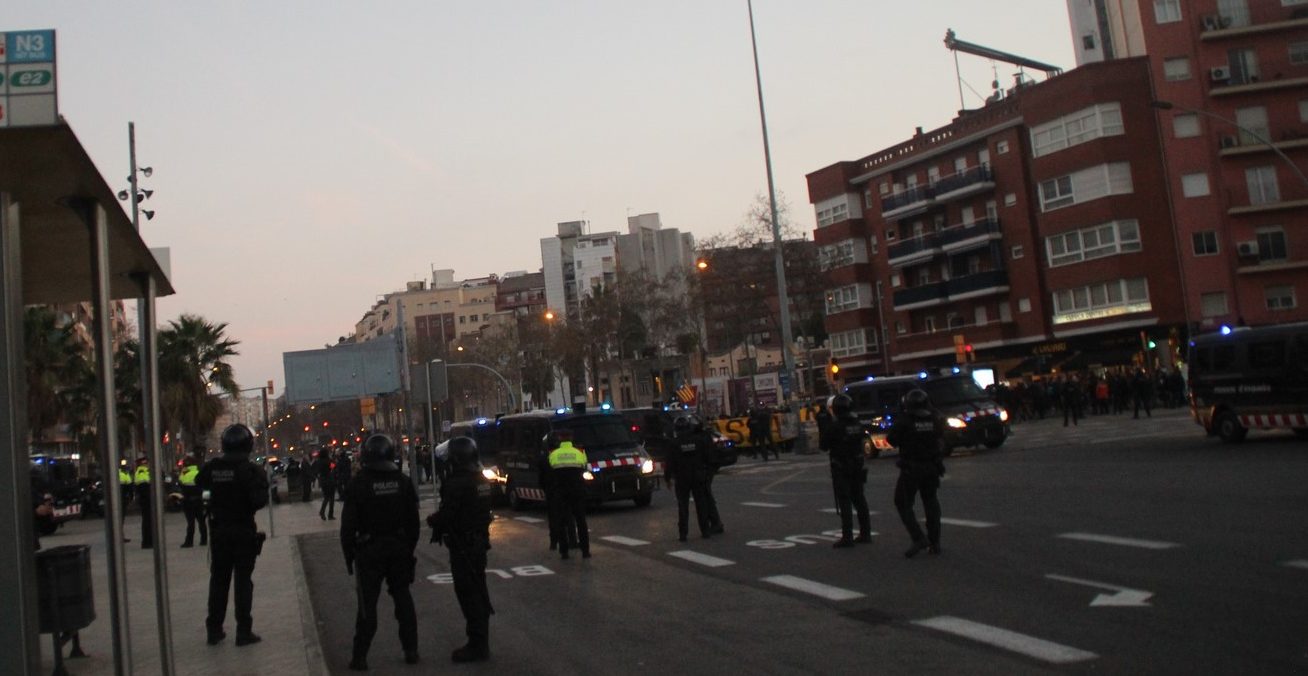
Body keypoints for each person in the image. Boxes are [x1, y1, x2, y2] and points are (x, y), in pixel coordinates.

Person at [341, 433, 420, 671]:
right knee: (403, 599)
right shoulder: (403, 482)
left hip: (369, 550)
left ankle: (360, 656)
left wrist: (349, 556)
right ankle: (411, 650)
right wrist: (408, 548)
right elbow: (414, 523)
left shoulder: (358, 484)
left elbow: (348, 526)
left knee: (368, 605)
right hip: (398, 548)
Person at [198, 423, 269, 646]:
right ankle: (243, 631)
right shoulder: (250, 471)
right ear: (248, 445)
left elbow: (200, 485)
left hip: (219, 531)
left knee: (218, 581)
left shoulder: (213, 468)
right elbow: (259, 500)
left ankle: (214, 629)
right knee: (243, 582)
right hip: (243, 530)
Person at [426, 437, 494, 663]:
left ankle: (477, 644)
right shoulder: (480, 479)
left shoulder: (457, 482)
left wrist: (433, 520)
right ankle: (480, 641)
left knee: (469, 594)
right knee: (478, 590)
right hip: (478, 542)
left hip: (464, 545)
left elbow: (449, 514)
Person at [887, 389, 947, 558]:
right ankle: (935, 542)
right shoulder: (934, 419)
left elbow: (891, 440)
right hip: (932, 466)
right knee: (931, 502)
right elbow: (941, 437)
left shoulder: (905, 421)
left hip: (911, 468)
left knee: (903, 503)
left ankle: (918, 537)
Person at [825, 394, 872, 548]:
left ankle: (847, 536)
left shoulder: (835, 426)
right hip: (857, 464)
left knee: (845, 500)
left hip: (841, 465)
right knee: (859, 499)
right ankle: (866, 533)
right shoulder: (857, 424)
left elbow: (823, 445)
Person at [665, 416, 714, 541]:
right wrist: (707, 473)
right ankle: (705, 530)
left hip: (682, 478)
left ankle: (683, 533)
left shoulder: (673, 444)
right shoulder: (698, 441)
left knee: (683, 506)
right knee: (701, 504)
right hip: (698, 476)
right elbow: (707, 458)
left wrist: (667, 479)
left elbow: (669, 463)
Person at [546, 430, 590, 560]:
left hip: (561, 491)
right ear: (571, 438)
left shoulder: (554, 454)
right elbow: (584, 465)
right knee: (581, 521)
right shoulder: (580, 452)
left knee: (562, 521)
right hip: (577, 490)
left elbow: (551, 467)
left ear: (560, 439)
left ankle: (564, 551)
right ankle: (585, 551)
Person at [179, 452, 208, 548]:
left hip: (188, 501)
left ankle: (189, 541)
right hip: (199, 500)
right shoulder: (198, 472)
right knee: (201, 521)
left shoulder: (184, 473)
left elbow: (180, 484)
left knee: (190, 522)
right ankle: (204, 540)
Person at [134, 456, 154, 549]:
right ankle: (147, 542)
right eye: (146, 463)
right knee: (147, 521)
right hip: (146, 500)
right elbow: (144, 487)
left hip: (146, 499)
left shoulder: (145, 472)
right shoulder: (142, 472)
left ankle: (149, 540)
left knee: (149, 520)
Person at [317, 449, 338, 520]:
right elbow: (333, 466)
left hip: (323, 481)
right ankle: (330, 514)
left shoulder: (319, 461)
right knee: (331, 498)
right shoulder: (328, 461)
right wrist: (333, 459)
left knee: (326, 497)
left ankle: (322, 511)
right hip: (329, 480)